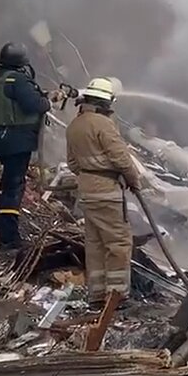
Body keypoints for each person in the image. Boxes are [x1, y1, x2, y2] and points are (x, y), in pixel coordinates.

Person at [65, 77, 146, 303]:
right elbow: (121, 158)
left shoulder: (75, 125)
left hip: (87, 192)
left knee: (95, 243)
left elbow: (72, 163)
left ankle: (97, 295)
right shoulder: (103, 124)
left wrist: (90, 170)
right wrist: (133, 180)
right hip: (107, 192)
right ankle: (117, 296)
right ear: (106, 102)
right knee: (118, 242)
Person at [0, 42, 59, 250]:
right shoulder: (18, 79)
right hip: (16, 139)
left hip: (1, 137)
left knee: (8, 183)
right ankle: (9, 238)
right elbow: (35, 105)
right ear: (22, 62)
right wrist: (47, 101)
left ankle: (5, 230)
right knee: (13, 186)